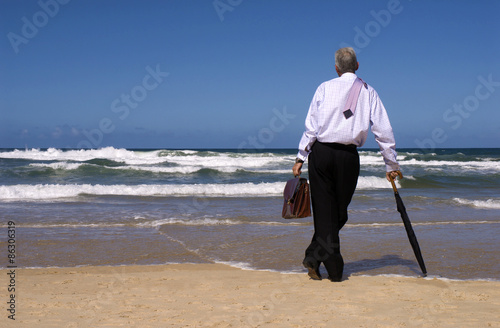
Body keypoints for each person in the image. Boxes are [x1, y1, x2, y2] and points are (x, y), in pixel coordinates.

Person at [292, 47, 402, 282]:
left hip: (321, 154)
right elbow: (383, 129)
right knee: (335, 213)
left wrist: (301, 156)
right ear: (357, 65)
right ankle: (334, 268)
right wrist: (390, 163)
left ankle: (314, 257)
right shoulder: (368, 91)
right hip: (348, 158)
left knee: (333, 214)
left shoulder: (324, 87)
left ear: (336, 68)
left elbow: (311, 126)